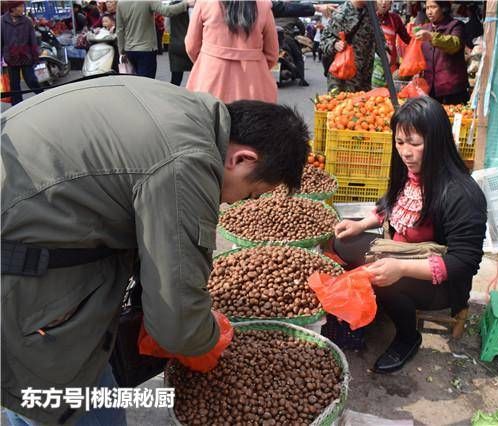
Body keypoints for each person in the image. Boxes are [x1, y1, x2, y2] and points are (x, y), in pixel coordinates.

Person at [1, 75, 310, 425]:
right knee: (53, 399)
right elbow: (175, 322)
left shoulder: (190, 110)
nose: (237, 204)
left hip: (33, 206)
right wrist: (211, 338)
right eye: (252, 193)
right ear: (242, 159)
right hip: (19, 258)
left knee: (71, 386)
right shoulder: (187, 164)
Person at [333, 97, 487, 373]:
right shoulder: (410, 172)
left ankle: (407, 336)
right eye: (400, 142)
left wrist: (401, 267)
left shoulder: (461, 194)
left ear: (437, 141)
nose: (405, 152)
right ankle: (376, 305)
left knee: (383, 279)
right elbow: (391, 203)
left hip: (439, 283)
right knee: (341, 242)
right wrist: (361, 224)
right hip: (400, 254)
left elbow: (464, 262)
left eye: (415, 143)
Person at [185, 1, 278, 103]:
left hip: (210, 76)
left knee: (209, 115)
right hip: (253, 80)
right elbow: (272, 53)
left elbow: (191, 45)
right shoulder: (263, 5)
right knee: (253, 116)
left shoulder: (205, 2)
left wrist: (205, 62)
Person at [116, 0, 190, 79]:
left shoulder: (121, 2)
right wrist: (186, 4)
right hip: (146, 49)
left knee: (134, 82)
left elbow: (119, 29)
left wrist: (121, 50)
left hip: (129, 49)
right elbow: (167, 11)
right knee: (147, 83)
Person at [415, 0, 469, 105]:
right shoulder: (425, 28)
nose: (429, 11)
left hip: (452, 90)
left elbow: (455, 44)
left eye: (433, 7)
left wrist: (431, 37)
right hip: (429, 88)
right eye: (427, 8)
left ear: (443, 8)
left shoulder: (456, 26)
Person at [320, 0, 375, 92]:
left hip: (364, 75)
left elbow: (377, 37)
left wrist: (385, 49)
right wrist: (335, 44)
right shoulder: (341, 13)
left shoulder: (370, 13)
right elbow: (324, 39)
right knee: (340, 104)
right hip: (343, 76)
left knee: (362, 104)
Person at [0, 1, 42, 106]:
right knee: (14, 84)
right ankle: (17, 106)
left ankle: (42, 97)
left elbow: (32, 40)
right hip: (11, 57)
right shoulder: (2, 21)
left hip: (26, 56)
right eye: (21, 6)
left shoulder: (27, 21)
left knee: (31, 80)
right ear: (13, 8)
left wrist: (35, 57)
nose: (23, 8)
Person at [376, 0, 411, 73]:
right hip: (373, 68)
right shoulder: (368, 17)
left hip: (391, 68)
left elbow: (408, 40)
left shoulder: (395, 19)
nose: (384, 2)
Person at [166, 4, 192, 86]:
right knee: (195, 76)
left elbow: (167, 27)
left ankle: (173, 96)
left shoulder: (171, 7)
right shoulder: (191, 7)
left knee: (176, 79)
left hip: (175, 44)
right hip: (190, 45)